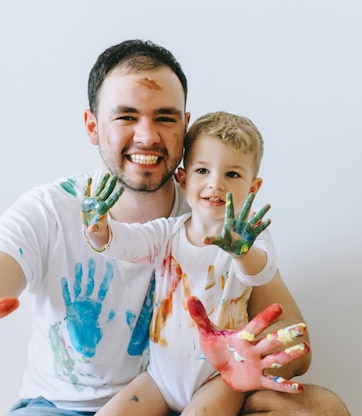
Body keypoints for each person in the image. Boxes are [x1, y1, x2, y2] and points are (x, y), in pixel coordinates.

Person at [0, 39, 350, 415]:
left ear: (185, 127)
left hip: (194, 396)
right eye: (126, 116)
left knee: (321, 409)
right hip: (61, 409)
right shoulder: (47, 213)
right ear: (92, 126)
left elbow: (293, 339)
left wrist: (248, 356)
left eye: (164, 118)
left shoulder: (219, 214)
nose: (147, 136)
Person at [80, 111, 310, 415]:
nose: (215, 183)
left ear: (253, 188)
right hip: (160, 379)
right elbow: (125, 244)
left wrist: (241, 251)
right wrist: (98, 229)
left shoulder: (250, 237)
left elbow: (261, 271)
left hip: (220, 377)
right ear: (183, 179)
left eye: (232, 174)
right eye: (203, 170)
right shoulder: (167, 233)